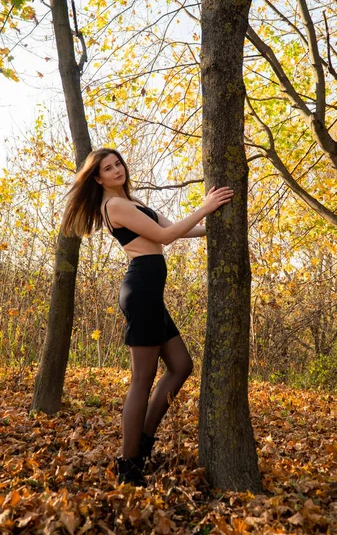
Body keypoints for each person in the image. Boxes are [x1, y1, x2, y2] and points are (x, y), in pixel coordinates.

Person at [63, 147, 234, 486]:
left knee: (182, 366)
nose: (116, 170)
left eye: (118, 164)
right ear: (97, 178)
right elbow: (165, 237)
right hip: (140, 291)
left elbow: (179, 229)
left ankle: (142, 444)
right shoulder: (114, 205)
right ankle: (129, 465)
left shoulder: (133, 201)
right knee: (142, 379)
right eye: (108, 169)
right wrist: (205, 206)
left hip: (150, 294)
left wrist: (221, 229)